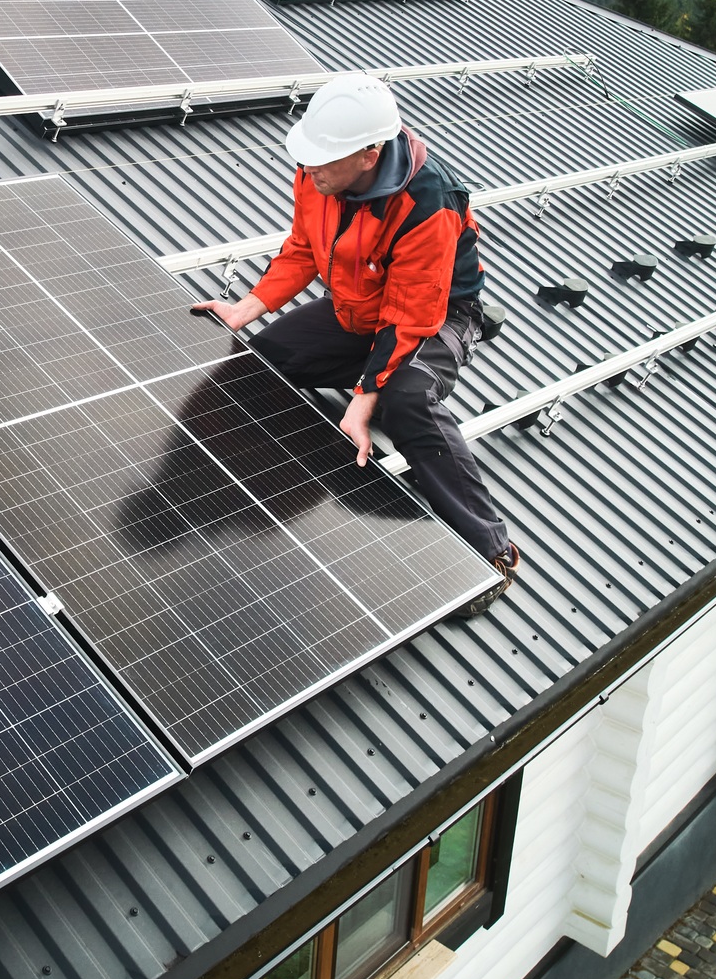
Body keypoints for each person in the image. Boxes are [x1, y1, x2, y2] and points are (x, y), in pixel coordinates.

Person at [192, 73, 520, 610]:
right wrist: (248, 306)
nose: (309, 168)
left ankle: (493, 550)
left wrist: (367, 397)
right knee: (264, 358)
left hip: (439, 315)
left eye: (323, 160)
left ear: (370, 155)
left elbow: (412, 314)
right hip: (359, 306)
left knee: (406, 399)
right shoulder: (319, 170)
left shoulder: (427, 200)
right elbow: (302, 247)